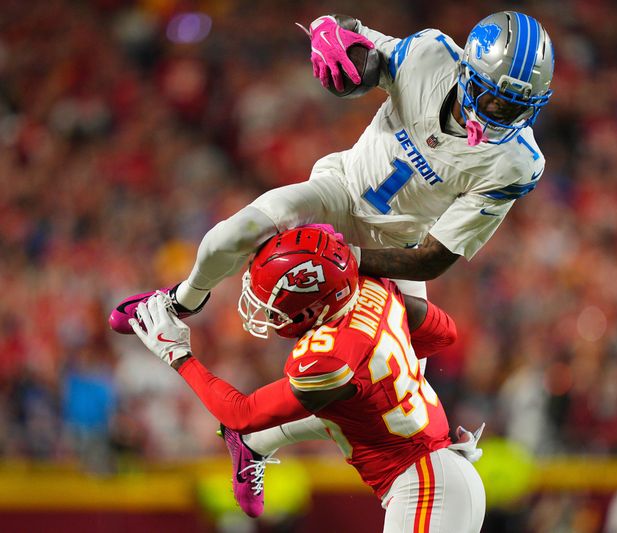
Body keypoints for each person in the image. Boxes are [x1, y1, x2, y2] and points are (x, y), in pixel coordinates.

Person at [109, 9, 554, 329]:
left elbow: (434, 258)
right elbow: (354, 39)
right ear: (466, 70)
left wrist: (349, 257)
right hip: (340, 191)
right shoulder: (429, 55)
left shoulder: (517, 162)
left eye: (517, 105)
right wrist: (329, 32)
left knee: (409, 344)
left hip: (399, 242)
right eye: (496, 96)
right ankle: (180, 304)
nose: (502, 113)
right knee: (229, 235)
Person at [129, 226, 486, 531]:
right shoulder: (370, 287)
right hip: (446, 471)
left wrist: (178, 355)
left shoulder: (329, 358)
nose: (270, 312)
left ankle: (256, 440)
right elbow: (444, 335)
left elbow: (240, 412)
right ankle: (257, 443)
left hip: (424, 484)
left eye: (277, 305)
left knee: (338, 400)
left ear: (315, 306)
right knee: (350, 407)